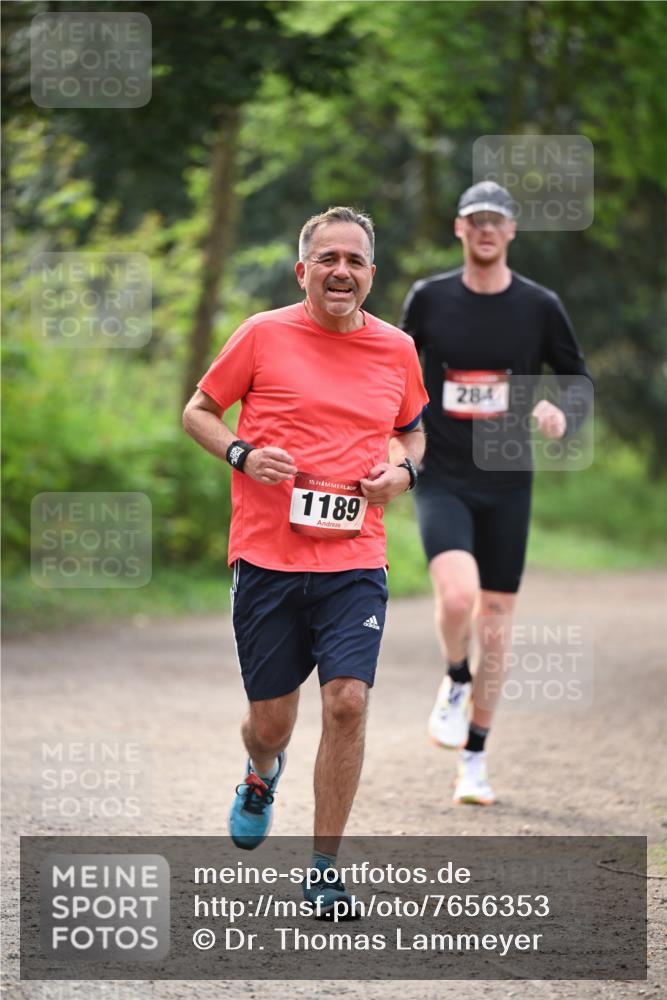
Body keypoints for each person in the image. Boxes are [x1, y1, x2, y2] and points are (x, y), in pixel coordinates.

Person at [183, 206, 428, 915]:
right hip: (267, 555)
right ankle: (261, 774)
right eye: (327, 259)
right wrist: (242, 454)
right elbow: (198, 410)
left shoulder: (397, 350)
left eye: (354, 261)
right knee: (272, 722)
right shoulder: (261, 334)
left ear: (371, 276)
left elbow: (412, 437)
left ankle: (324, 869)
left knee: (347, 703)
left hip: (355, 558)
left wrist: (402, 476)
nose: (341, 271)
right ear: (303, 271)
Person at [400, 181, 591, 806]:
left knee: (499, 626)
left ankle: (475, 759)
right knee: (458, 598)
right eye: (475, 219)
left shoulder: (539, 306)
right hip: (444, 472)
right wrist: (391, 440)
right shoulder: (429, 299)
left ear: (511, 233)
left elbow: (577, 380)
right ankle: (455, 679)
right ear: (460, 229)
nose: (486, 229)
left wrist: (563, 416)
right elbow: (394, 370)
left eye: (497, 221)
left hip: (509, 481)